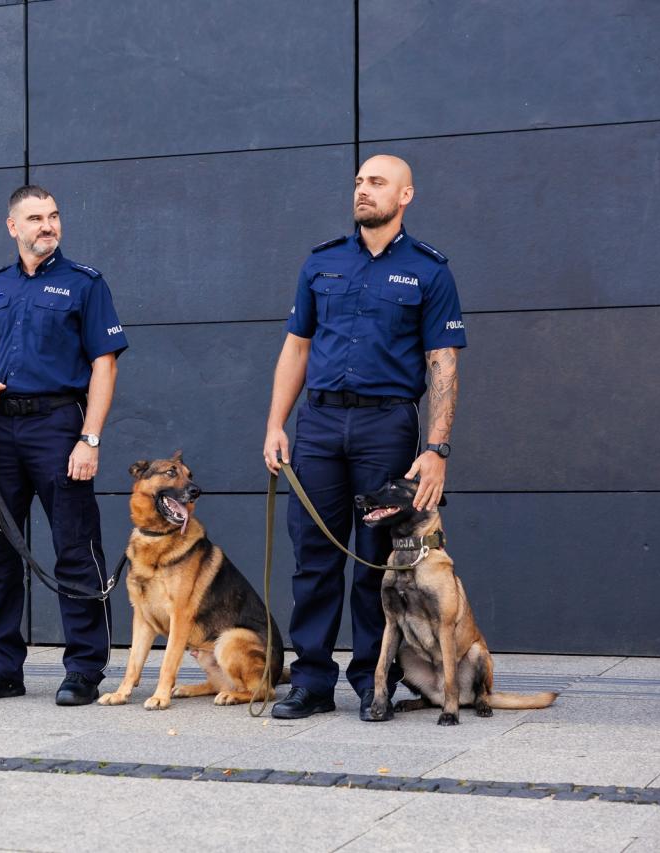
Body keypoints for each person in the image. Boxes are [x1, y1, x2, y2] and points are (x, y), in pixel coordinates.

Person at [262, 155, 466, 721]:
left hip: (388, 424)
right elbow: (296, 348)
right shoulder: (321, 262)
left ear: (405, 195)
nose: (363, 191)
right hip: (320, 423)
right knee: (315, 555)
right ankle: (311, 682)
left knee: (379, 560)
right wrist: (276, 423)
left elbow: (441, 363)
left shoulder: (429, 271)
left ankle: (372, 682)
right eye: (359, 182)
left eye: (376, 183)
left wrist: (436, 449)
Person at [0, 185, 129, 706]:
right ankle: (0, 668)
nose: (47, 225)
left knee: (76, 548)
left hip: (58, 426)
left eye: (53, 216)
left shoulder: (85, 285)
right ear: (13, 227)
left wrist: (89, 438)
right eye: (35, 218)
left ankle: (84, 670)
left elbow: (105, 363)